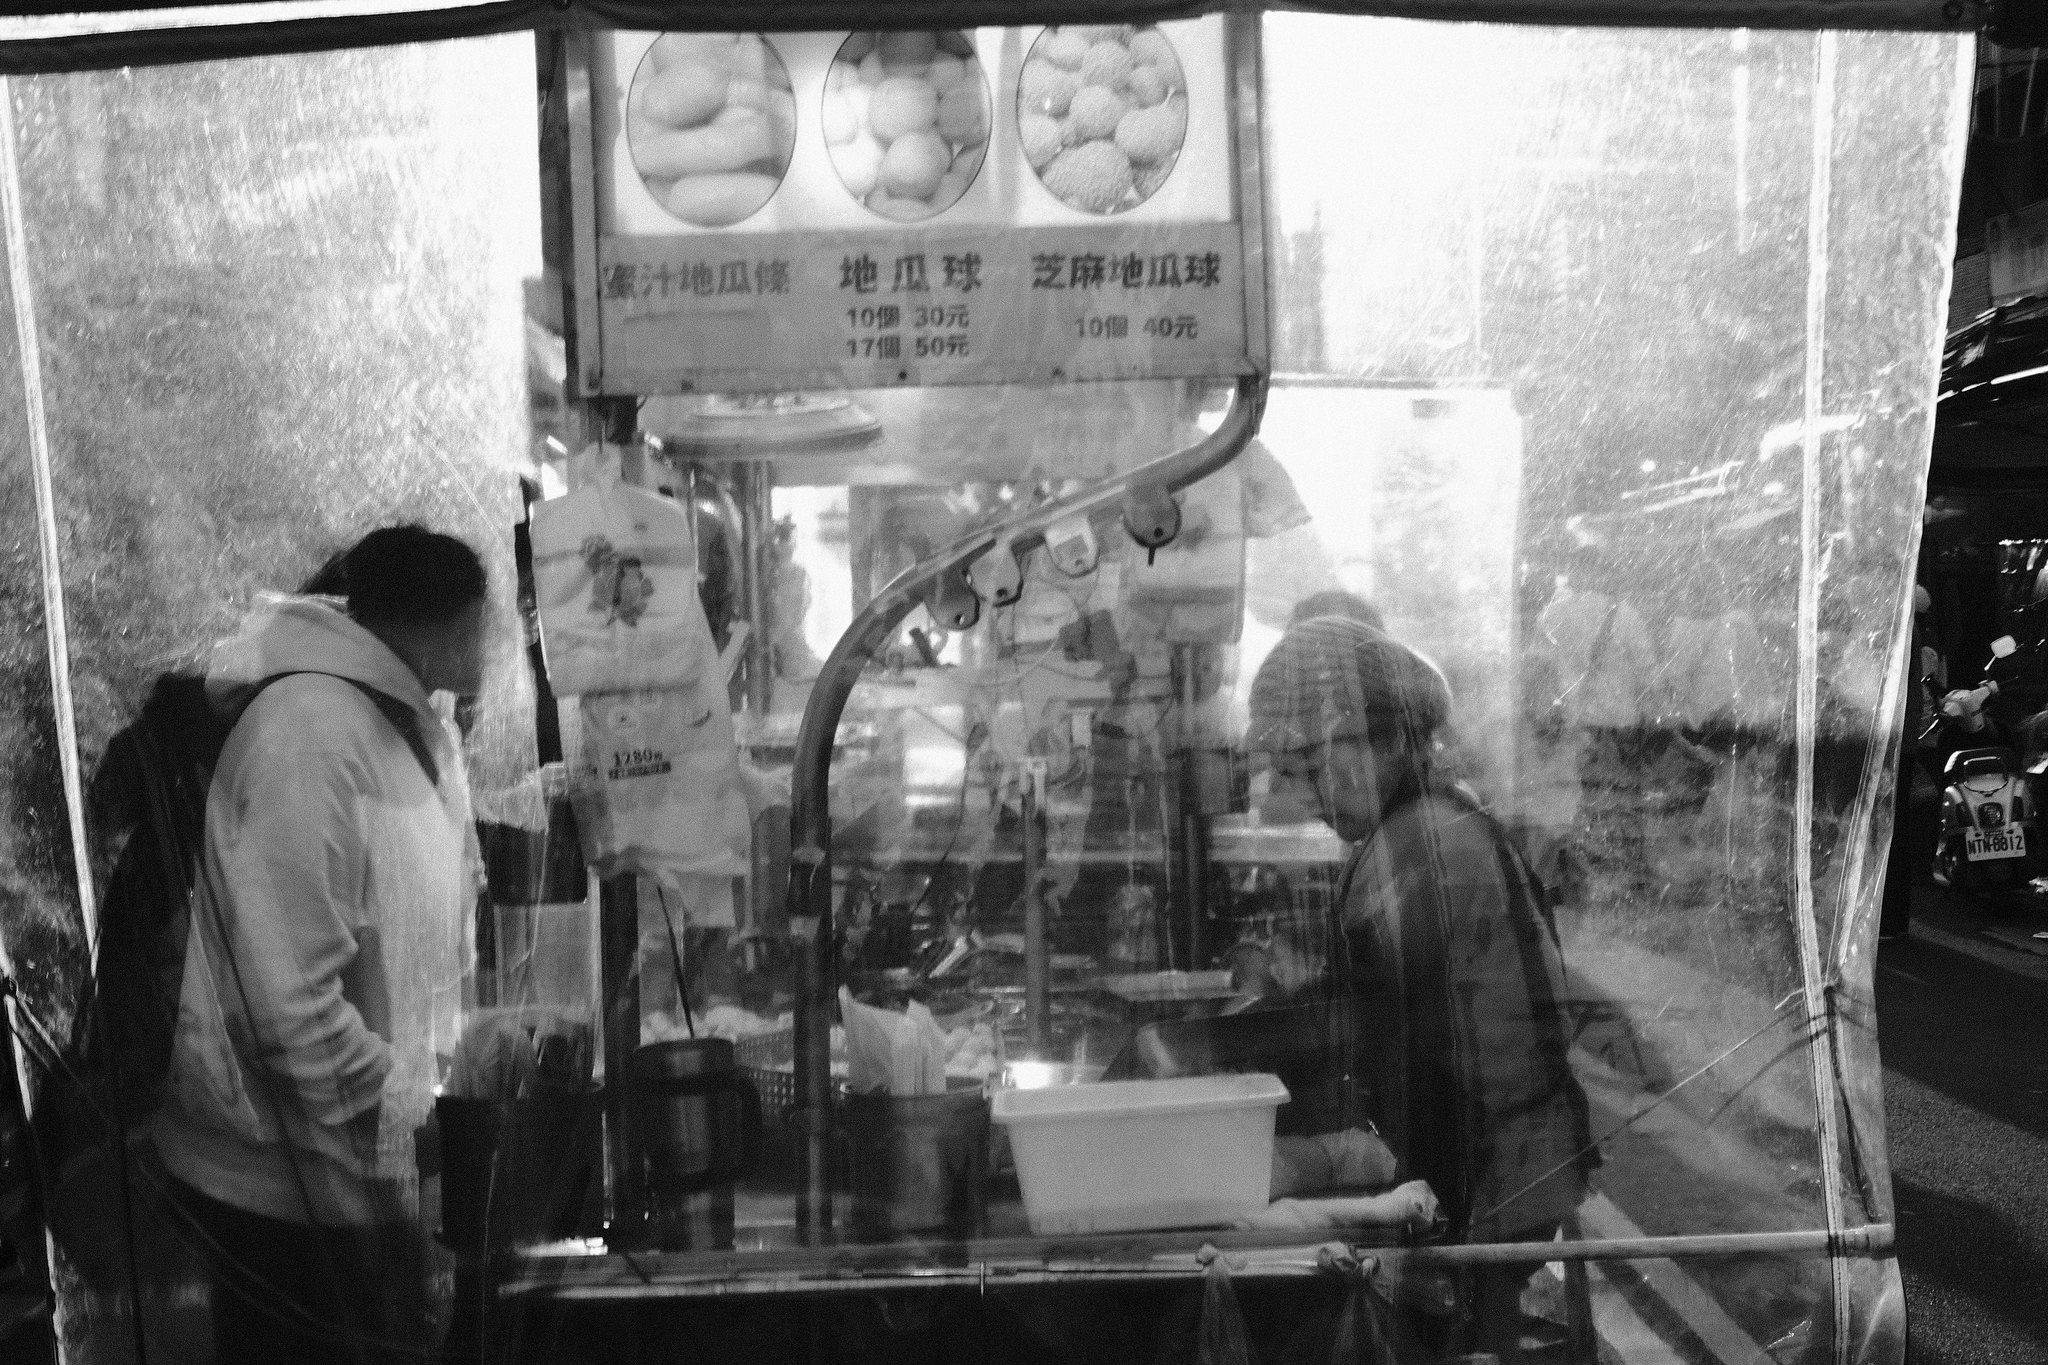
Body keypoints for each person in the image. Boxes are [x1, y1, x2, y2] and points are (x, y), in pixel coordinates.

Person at [153, 525, 491, 1365]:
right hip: (283, 1211)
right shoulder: (309, 732)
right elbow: (284, 1007)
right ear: (453, 626)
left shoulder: (393, 723)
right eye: (487, 629)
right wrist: (415, 1120)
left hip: (359, 1191)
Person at [1244, 616, 1594, 1363]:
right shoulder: (1428, 825)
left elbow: (1406, 1048)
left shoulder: (1421, 847)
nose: (1303, 794)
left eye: (1311, 764)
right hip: (1510, 1168)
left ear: (1390, 742)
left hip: (1494, 1184)